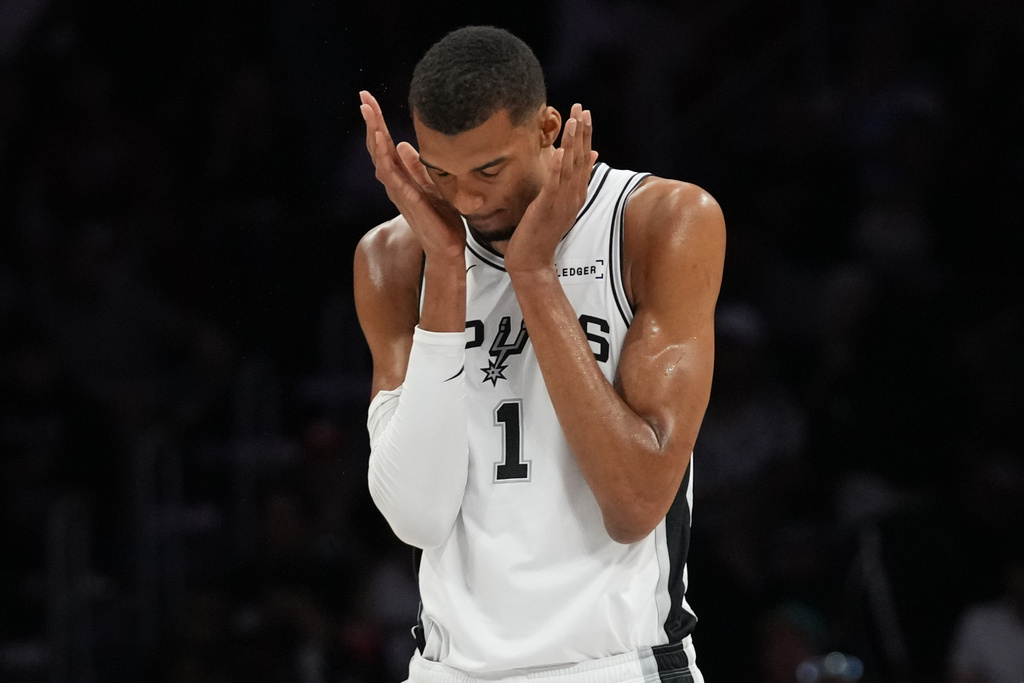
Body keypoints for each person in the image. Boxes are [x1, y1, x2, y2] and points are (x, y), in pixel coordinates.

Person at [353, 26, 725, 683]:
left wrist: (532, 272)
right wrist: (445, 268)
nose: (467, 200)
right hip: (449, 669)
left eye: (488, 170)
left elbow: (636, 503)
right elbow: (417, 515)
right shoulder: (395, 257)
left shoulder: (658, 221)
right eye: (443, 174)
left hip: (615, 664)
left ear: (547, 127)